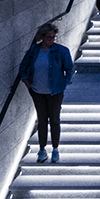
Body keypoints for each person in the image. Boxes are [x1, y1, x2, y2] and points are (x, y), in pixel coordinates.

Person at [17, 22, 73, 164]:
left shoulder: (61, 51)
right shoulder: (34, 51)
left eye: (54, 37)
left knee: (54, 119)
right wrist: (28, 85)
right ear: (42, 37)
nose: (51, 40)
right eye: (49, 37)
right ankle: (42, 150)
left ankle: (55, 149)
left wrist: (64, 83)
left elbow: (69, 68)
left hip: (55, 91)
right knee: (42, 120)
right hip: (37, 91)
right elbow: (23, 68)